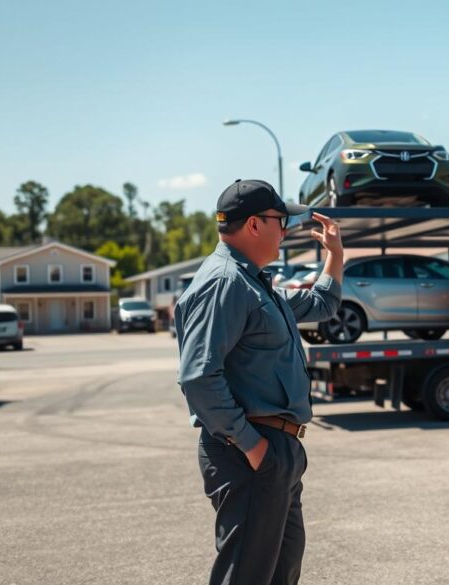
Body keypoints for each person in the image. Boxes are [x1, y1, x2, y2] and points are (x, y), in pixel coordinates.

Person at [175, 179, 343, 585]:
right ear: (254, 225)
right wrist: (254, 448)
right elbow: (199, 376)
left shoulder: (255, 283)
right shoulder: (225, 282)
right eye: (279, 221)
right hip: (249, 455)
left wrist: (335, 255)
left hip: (277, 453)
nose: (284, 230)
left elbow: (323, 303)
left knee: (280, 573)